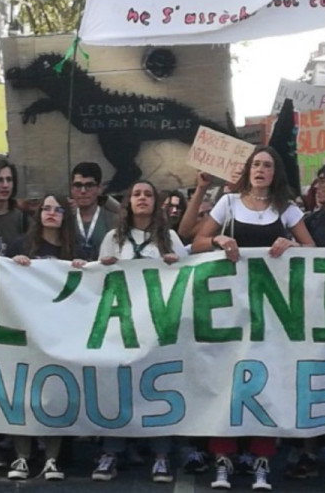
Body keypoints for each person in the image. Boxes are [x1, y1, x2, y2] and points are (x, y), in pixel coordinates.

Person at [192, 146, 314, 491]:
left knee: (267, 382)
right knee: (225, 384)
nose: (261, 170)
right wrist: (218, 238)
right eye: (256, 164)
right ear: (248, 169)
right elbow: (196, 241)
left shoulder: (286, 210)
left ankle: (261, 461)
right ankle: (223, 461)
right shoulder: (228, 204)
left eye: (268, 165)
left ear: (276, 174)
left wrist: (291, 245)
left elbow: (314, 249)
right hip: (229, 311)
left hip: (271, 315)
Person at [93, 180, 186, 484]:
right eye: (136, 194)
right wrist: (101, 266)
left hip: (159, 329)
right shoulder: (112, 238)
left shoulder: (169, 237)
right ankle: (111, 451)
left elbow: (190, 276)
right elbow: (97, 280)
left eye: (148, 194)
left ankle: (161, 456)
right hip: (122, 327)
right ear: (128, 202)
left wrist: (176, 263)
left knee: (159, 387)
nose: (142, 198)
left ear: (156, 202)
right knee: (118, 387)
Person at [3, 193, 86, 482]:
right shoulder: (20, 244)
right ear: (38, 214)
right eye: (46, 209)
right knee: (23, 393)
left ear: (66, 215)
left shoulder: (76, 247)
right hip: (26, 330)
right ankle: (22, 457)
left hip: (61, 332)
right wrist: (14, 264)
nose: (51, 213)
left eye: (58, 209)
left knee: (57, 392)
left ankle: (52, 458)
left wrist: (82, 269)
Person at [70, 161, 119, 260]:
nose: (83, 191)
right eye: (78, 185)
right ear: (72, 188)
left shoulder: (115, 221)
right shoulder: (64, 220)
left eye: (89, 185)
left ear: (99, 188)